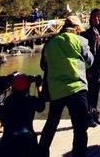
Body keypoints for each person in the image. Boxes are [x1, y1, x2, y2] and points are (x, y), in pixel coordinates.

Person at [38, 15, 93, 157]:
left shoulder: (50, 43)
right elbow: (90, 62)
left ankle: (41, 153)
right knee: (80, 127)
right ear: (76, 28)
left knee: (51, 124)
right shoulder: (80, 40)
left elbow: (44, 65)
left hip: (56, 89)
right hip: (77, 87)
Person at [0, 74, 45, 156]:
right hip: (27, 139)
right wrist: (39, 86)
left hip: (8, 139)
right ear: (28, 87)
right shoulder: (31, 101)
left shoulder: (9, 100)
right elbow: (41, 107)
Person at [81, 9, 100, 127]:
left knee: (96, 90)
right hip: (91, 66)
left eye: (98, 17)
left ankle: (94, 114)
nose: (96, 19)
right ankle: (88, 117)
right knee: (90, 91)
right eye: (94, 17)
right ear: (91, 18)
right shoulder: (87, 33)